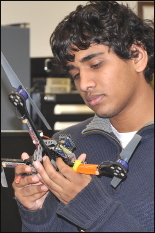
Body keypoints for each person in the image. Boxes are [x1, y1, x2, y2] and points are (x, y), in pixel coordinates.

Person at [12, 1, 154, 232]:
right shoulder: (66, 144)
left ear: (137, 56)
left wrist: (89, 205)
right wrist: (38, 213)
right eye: (75, 74)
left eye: (96, 64)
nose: (85, 84)